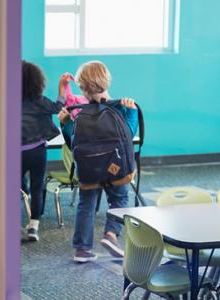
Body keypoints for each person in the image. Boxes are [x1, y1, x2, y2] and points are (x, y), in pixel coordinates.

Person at [57, 61, 138, 262]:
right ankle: (111, 234)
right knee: (119, 199)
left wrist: (65, 124)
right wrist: (132, 112)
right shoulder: (119, 108)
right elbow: (129, 135)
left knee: (86, 204)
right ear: (107, 80)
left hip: (89, 171)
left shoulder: (80, 114)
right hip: (116, 168)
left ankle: (82, 249)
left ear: (82, 88)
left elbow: (72, 143)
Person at [20, 61, 64, 241]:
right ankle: (33, 227)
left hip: (16, 154)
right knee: (38, 188)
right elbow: (57, 107)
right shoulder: (40, 101)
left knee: (15, 187)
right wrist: (62, 88)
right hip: (38, 151)